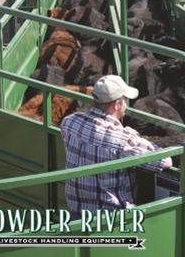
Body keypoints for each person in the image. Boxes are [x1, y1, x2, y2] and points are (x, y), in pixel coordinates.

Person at [60, 75, 172, 219]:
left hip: (76, 213)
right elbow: (165, 161)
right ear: (117, 104)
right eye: (125, 100)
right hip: (112, 221)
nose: (126, 104)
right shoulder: (122, 139)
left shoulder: (70, 122)